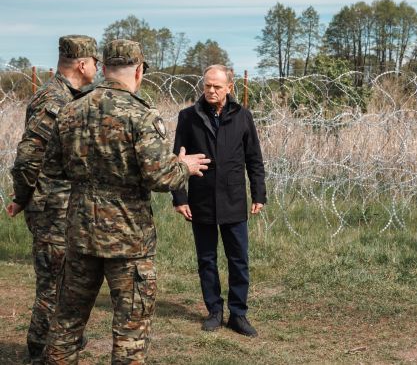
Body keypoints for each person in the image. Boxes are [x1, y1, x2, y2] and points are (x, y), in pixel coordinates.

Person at [41, 39, 210, 364]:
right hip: (128, 241)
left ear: (104, 69)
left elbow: (51, 168)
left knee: (65, 326)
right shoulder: (140, 114)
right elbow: (160, 177)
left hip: (81, 235)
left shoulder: (71, 110)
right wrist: (184, 167)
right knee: (130, 333)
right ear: (139, 71)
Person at [6, 35, 100, 363]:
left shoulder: (70, 95)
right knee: (53, 285)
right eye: (96, 62)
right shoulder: (54, 99)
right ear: (82, 64)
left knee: (64, 281)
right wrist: (24, 195)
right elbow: (28, 157)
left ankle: (58, 344)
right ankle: (40, 351)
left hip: (63, 206)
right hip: (51, 208)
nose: (98, 69)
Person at [172, 64, 266, 337]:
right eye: (207, 85)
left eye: (217, 86)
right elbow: (177, 159)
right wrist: (180, 196)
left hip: (234, 198)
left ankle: (238, 314)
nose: (211, 90)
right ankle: (214, 311)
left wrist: (258, 193)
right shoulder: (188, 117)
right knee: (207, 258)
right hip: (201, 199)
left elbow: (254, 159)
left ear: (229, 87)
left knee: (239, 259)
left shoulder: (242, 116)